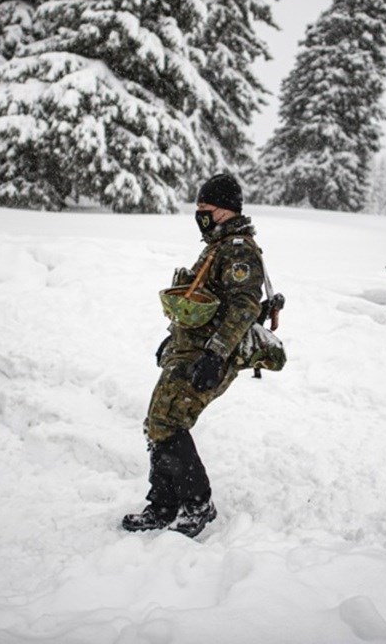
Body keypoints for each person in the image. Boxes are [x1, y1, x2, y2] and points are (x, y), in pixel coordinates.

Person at [122, 173, 268, 538]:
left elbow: (245, 307)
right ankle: (164, 503)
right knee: (157, 420)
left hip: (208, 353)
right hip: (188, 349)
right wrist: (172, 340)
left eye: (205, 208)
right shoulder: (217, 244)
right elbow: (201, 298)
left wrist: (215, 355)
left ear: (225, 210)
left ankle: (198, 504)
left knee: (169, 422)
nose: (199, 214)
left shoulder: (238, 249)